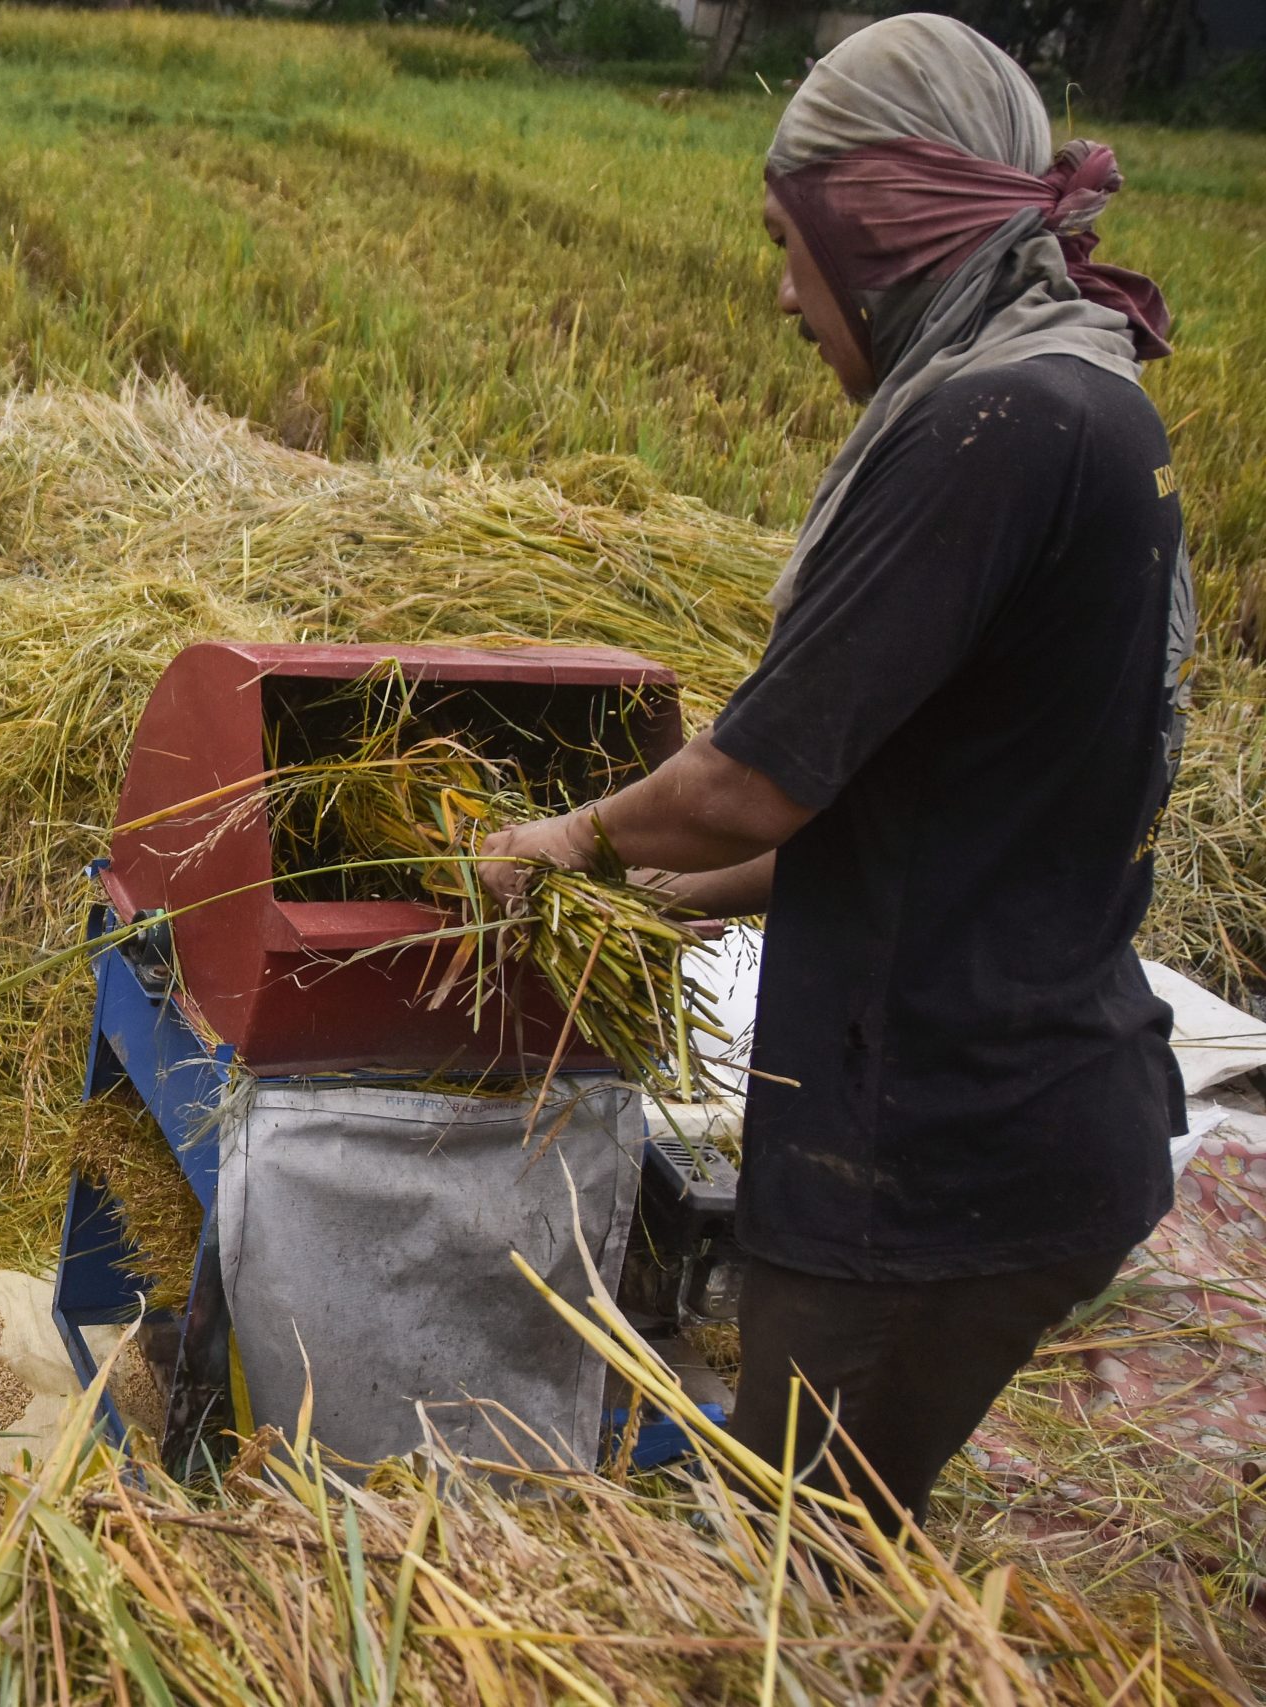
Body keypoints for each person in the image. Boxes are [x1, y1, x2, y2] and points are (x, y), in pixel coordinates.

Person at [479, 15, 1188, 1530]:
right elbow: (931, 804)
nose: (783, 294)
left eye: (790, 245)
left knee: (800, 1569)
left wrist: (562, 842)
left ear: (878, 234)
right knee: (831, 1531)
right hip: (1022, 1105)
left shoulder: (989, 429)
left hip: (931, 1157)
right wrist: (683, 887)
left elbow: (754, 775)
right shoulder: (1078, 395)